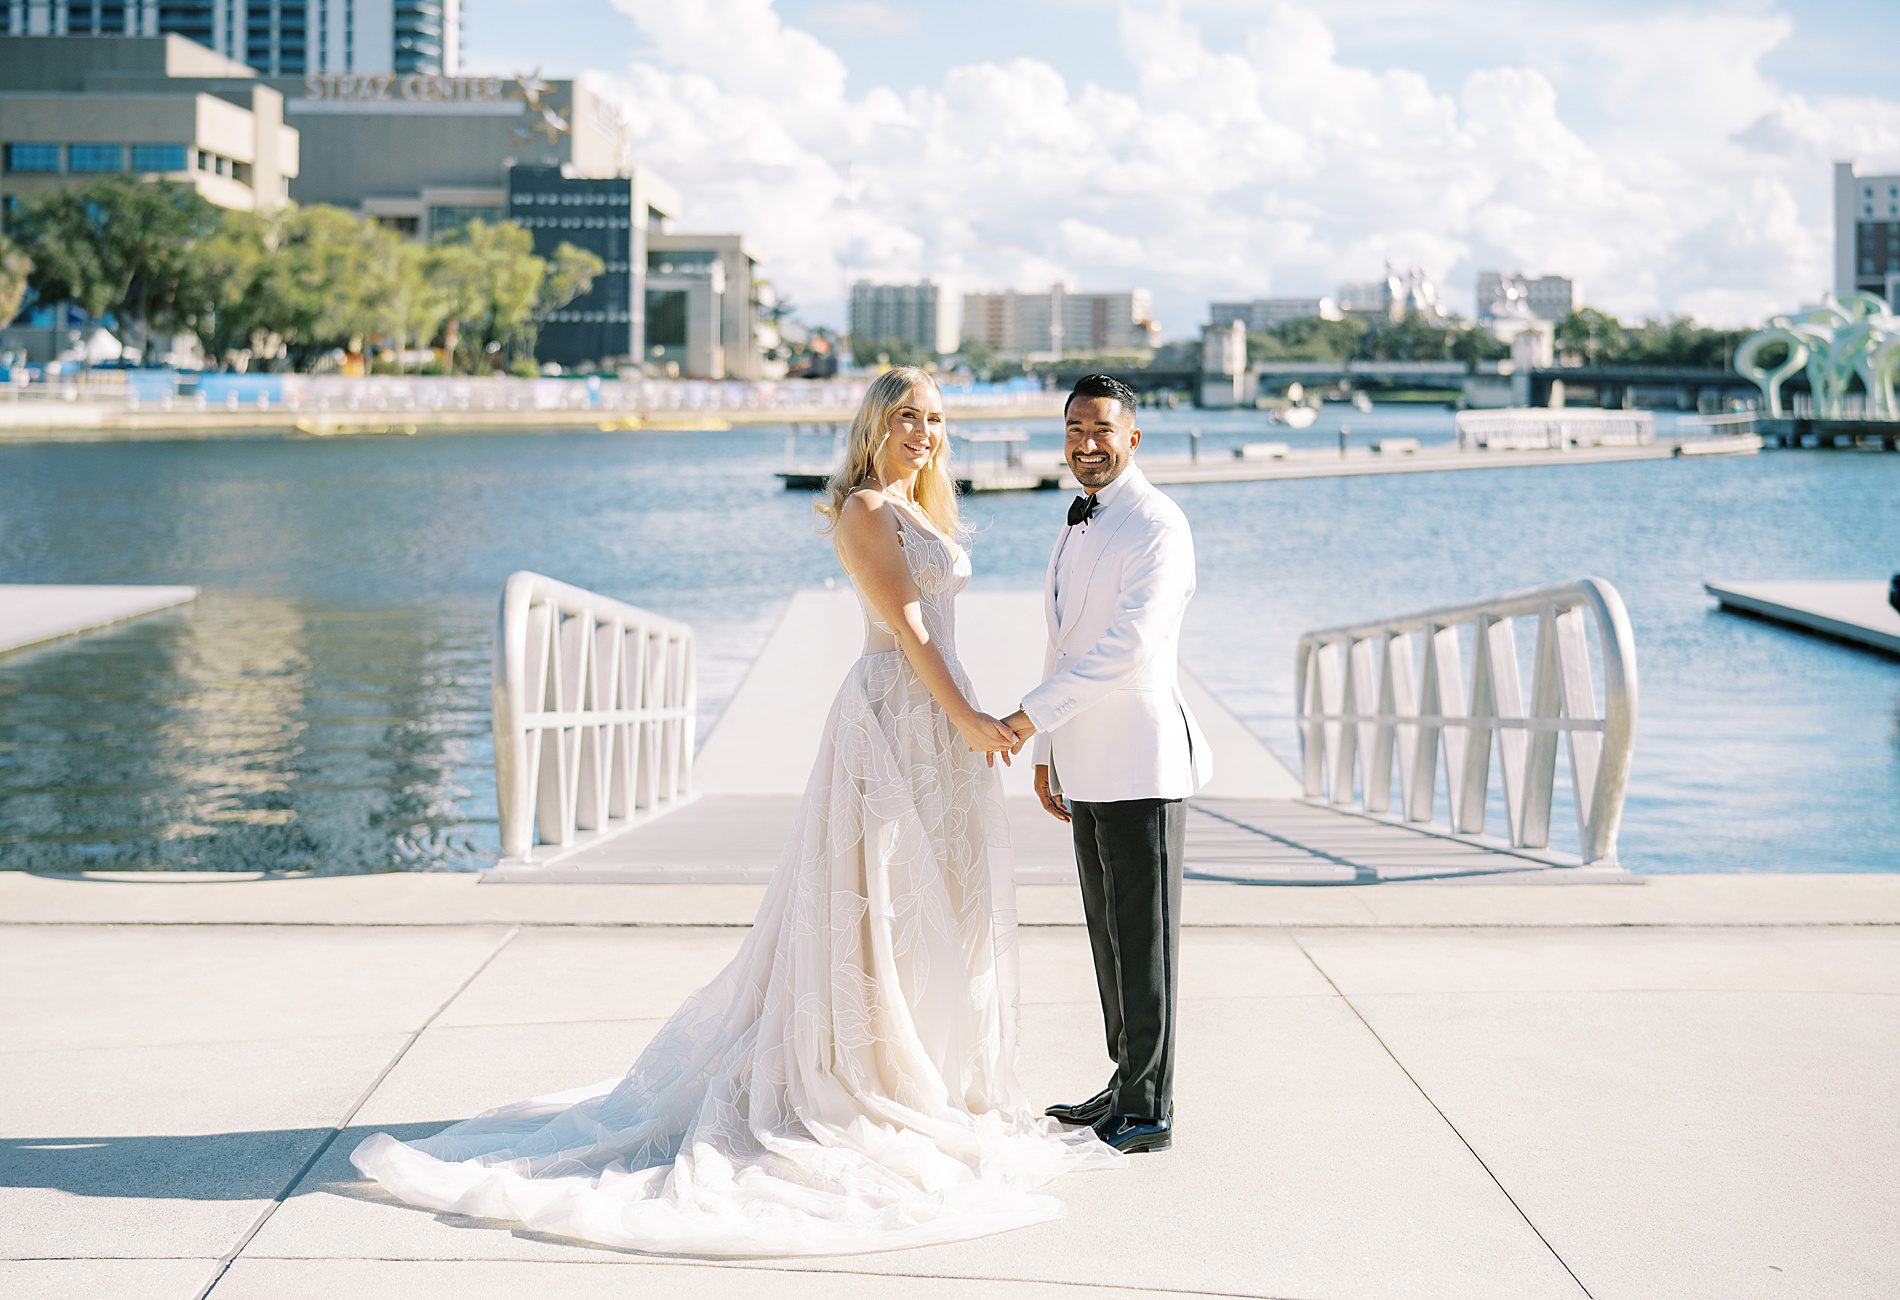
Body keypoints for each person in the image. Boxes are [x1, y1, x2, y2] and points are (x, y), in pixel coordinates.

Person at [348, 367, 1119, 1256]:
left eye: (937, 418)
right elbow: (907, 630)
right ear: (874, 424)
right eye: (907, 416)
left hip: (936, 721)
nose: (925, 431)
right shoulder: (868, 510)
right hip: (897, 715)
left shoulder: (920, 506)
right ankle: (862, 1071)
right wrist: (975, 722)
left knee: (929, 906)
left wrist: (965, 723)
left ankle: (925, 1066)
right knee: (878, 903)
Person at [1003, 373, 1213, 1155]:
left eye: (1101, 430)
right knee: (1108, 934)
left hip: (1140, 761)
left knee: (1145, 938)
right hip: (1084, 760)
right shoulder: (1079, 522)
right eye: (1074, 430)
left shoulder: (1159, 523)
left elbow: (1131, 645)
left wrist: (1029, 718)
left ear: (1132, 438)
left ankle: (1150, 1107)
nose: (1086, 444)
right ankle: (1124, 1079)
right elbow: (1064, 639)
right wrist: (1048, 754)